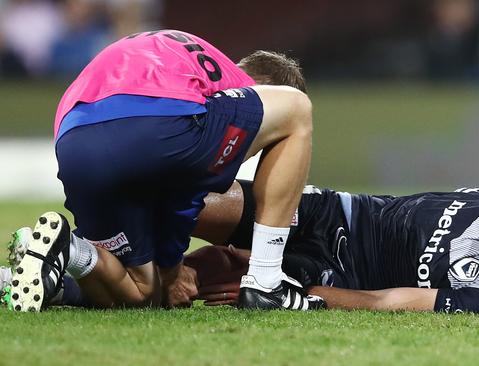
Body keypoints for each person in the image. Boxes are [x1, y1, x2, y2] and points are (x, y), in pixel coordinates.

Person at [7, 30, 324, 312]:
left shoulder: (191, 57)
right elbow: (187, 188)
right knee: (298, 110)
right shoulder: (236, 90)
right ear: (263, 90)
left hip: (73, 139)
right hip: (154, 120)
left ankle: (66, 250)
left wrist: (164, 276)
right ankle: (267, 283)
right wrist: (172, 269)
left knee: (141, 291)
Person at [189, 162, 479, 315]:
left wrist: (302, 295)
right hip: (337, 213)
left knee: (186, 281)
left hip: (335, 271)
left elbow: (389, 301)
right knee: (192, 207)